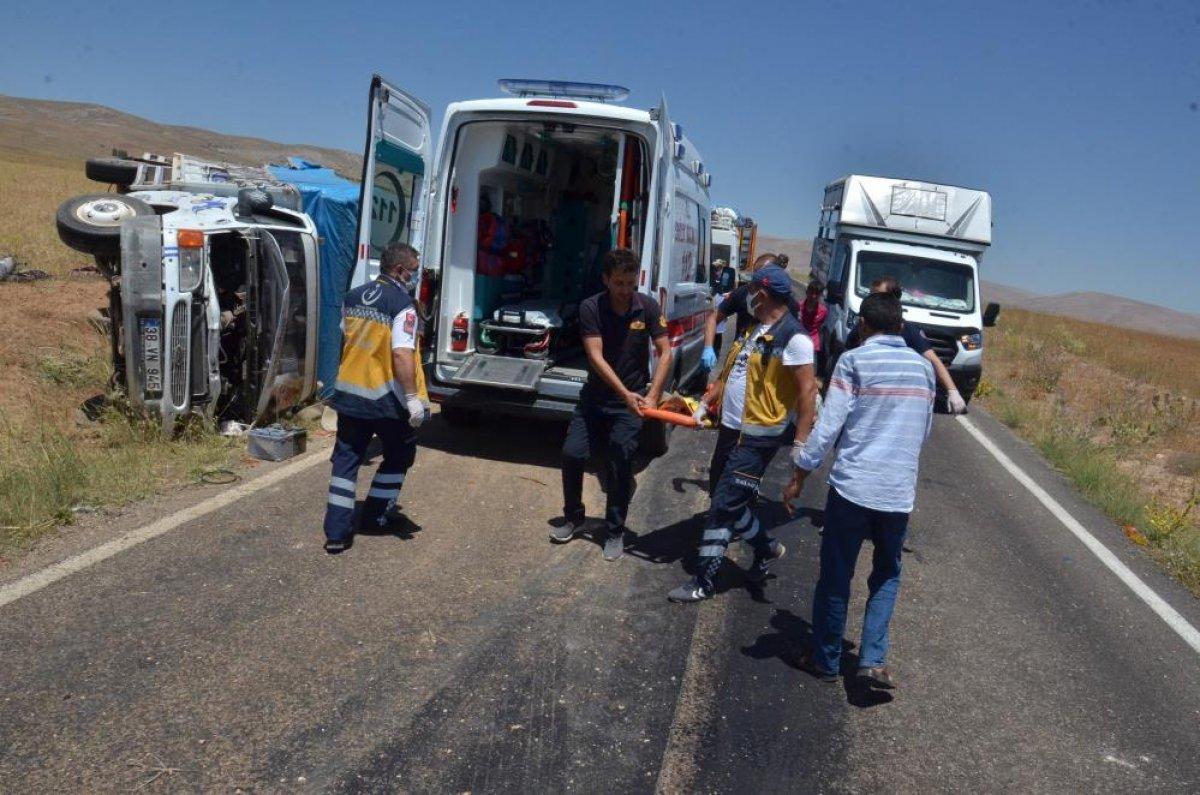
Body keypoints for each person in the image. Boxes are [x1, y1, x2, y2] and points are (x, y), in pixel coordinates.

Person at [785, 291, 935, 687]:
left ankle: (826, 659)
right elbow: (922, 432)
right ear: (900, 326)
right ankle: (872, 660)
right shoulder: (925, 369)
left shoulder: (853, 361)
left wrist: (801, 470)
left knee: (837, 574)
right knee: (886, 573)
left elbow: (828, 428)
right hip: (897, 493)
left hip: (852, 489)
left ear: (863, 325)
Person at [669, 266, 818, 603]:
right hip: (731, 430)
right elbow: (733, 371)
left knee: (724, 505)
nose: (746, 296)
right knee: (726, 501)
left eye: (751, 290)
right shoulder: (754, 329)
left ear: (762, 294)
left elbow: (807, 391)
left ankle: (704, 581)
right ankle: (766, 547)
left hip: (757, 437)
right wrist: (708, 400)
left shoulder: (794, 338)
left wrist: (800, 443)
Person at [553, 249, 673, 561]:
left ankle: (614, 531)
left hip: (631, 404)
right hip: (595, 398)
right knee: (572, 453)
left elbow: (665, 351)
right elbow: (595, 356)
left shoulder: (647, 306)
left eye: (631, 283)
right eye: (619, 283)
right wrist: (624, 393)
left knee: (620, 460)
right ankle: (574, 517)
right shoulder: (591, 307)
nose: (625, 290)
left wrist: (653, 395)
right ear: (605, 279)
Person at [322, 243, 429, 554]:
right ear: (399, 270)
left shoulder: (352, 296)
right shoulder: (403, 305)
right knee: (400, 454)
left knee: (346, 461)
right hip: (385, 398)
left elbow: (349, 338)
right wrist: (412, 398)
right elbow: (402, 353)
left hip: (350, 394)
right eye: (414, 270)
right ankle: (375, 516)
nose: (416, 276)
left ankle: (337, 534)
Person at [845, 276, 968, 414]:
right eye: (871, 295)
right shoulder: (862, 326)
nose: (872, 300)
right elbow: (848, 357)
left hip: (896, 400)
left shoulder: (908, 331)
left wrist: (952, 391)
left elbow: (933, 360)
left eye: (879, 296)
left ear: (893, 300)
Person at [700, 253, 798, 371]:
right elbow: (713, 318)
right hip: (737, 363)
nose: (754, 282)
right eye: (754, 275)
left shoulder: (788, 305)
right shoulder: (743, 293)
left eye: (760, 275)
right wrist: (708, 347)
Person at [799, 280, 828, 369]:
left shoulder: (823, 311)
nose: (813, 296)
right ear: (807, 292)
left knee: (811, 371)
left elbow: (819, 327)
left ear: (820, 295)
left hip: (812, 344)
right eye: (811, 292)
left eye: (817, 294)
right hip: (798, 341)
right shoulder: (798, 306)